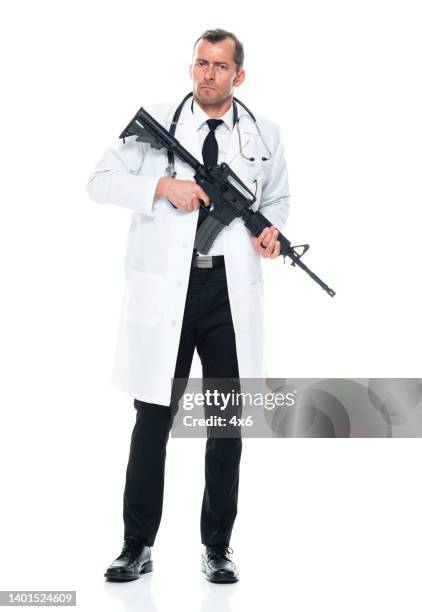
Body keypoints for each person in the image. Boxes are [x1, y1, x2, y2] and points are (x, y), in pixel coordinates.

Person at [86, 28, 290, 583]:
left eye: (220, 67)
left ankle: (218, 547)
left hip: (228, 294)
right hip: (168, 291)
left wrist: (271, 234)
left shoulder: (263, 135)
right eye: (201, 63)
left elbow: (277, 202)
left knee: (226, 423)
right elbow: (99, 182)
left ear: (237, 76)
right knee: (152, 420)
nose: (207, 74)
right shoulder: (156, 122)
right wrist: (160, 187)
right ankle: (136, 545)